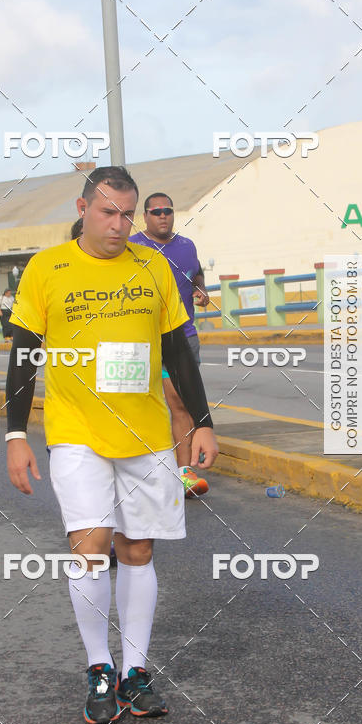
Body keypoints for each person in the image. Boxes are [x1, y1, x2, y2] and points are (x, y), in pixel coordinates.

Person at [5, 165, 218, 724]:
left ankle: (136, 670)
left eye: (128, 214)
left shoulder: (153, 266)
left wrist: (201, 421)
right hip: (76, 431)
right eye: (108, 213)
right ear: (83, 209)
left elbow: (177, 349)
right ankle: (100, 667)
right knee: (90, 546)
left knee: (139, 550)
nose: (120, 225)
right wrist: (16, 435)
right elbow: (24, 354)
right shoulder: (47, 268)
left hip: (145, 434)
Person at [129, 193, 211, 498]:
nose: (163, 216)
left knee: (180, 402)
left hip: (183, 337)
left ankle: (183, 473)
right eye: (156, 212)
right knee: (144, 406)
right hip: (144, 339)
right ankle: (143, 470)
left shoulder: (187, 246)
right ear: (146, 216)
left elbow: (196, 273)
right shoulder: (133, 246)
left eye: (168, 211)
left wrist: (200, 290)